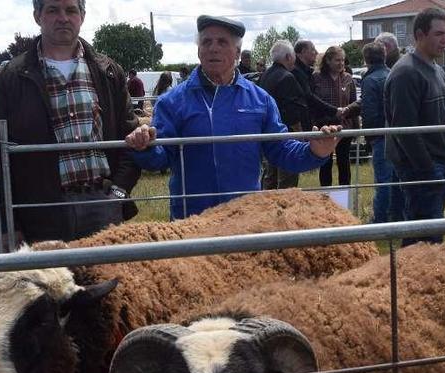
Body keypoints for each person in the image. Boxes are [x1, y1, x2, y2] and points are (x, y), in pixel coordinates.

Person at [125, 15, 342, 220]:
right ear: (199, 51)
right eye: (206, 42)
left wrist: (315, 151)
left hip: (245, 219)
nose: (213, 48)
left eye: (222, 42)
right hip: (190, 221)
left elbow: (281, 150)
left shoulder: (260, 100)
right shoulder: (172, 101)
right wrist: (145, 146)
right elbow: (161, 157)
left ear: (237, 53)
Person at [0, 0, 141, 245]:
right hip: (41, 211)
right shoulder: (10, 78)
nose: (63, 17)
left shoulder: (108, 72)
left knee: (107, 281)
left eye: (71, 10)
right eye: (52, 10)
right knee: (49, 282)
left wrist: (119, 191)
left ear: (82, 15)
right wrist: (8, 223)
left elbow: (131, 137)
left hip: (101, 203)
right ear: (37, 16)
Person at [383, 7, 445, 246]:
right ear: (419, 35)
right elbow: (404, 129)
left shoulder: (437, 70)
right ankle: (413, 281)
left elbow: (441, 116)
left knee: (431, 231)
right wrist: (427, 167)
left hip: (440, 161)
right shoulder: (406, 72)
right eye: (439, 34)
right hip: (421, 168)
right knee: (424, 236)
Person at [258, 40, 305, 189]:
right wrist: (300, 133)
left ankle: (266, 209)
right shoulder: (287, 77)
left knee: (269, 177)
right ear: (288, 57)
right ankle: (285, 211)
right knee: (287, 178)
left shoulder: (264, 75)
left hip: (267, 134)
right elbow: (292, 111)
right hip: (285, 134)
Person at [313, 46, 358, 187]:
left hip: (344, 128)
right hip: (324, 128)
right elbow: (313, 102)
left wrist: (356, 127)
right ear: (328, 60)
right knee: (325, 162)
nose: (341, 63)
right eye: (337, 60)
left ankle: (345, 194)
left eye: (343, 60)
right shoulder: (317, 78)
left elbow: (353, 103)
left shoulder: (348, 78)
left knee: (344, 162)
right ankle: (326, 194)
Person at [361, 43, 394, 223]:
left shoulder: (370, 80)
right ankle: (397, 215)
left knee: (382, 180)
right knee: (395, 178)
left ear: (366, 59)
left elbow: (370, 113)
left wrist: (369, 138)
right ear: (385, 55)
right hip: (395, 133)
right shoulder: (392, 74)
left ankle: (380, 219)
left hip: (380, 136)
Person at [292, 40, 340, 132]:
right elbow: (309, 97)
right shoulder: (297, 72)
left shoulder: (306, 72)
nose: (316, 52)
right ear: (303, 52)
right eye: (313, 49)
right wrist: (334, 111)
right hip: (302, 124)